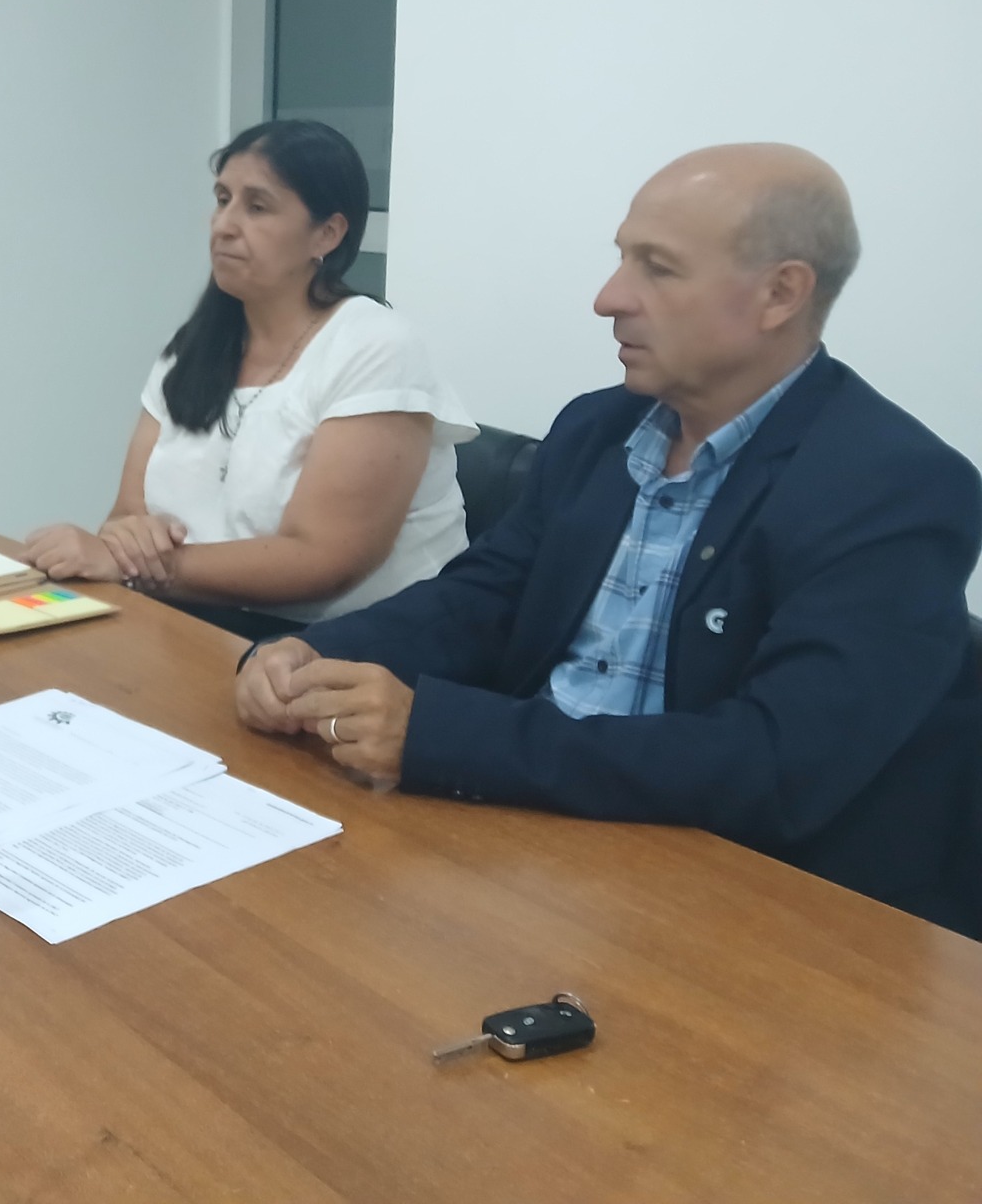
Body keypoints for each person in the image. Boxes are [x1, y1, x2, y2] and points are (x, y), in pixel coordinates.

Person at [237, 143, 982, 937]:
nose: (608, 298)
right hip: (535, 843)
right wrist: (312, 655)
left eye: (657, 268)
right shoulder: (599, 428)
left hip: (735, 904)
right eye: (621, 258)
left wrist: (443, 737)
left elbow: (777, 765)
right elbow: (483, 599)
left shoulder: (897, 487)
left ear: (780, 293)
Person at [20, 120, 474, 637]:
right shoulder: (194, 347)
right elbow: (125, 516)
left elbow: (324, 561)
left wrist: (135, 565)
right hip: (193, 619)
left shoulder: (376, 347)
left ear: (327, 234)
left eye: (257, 207)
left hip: (350, 642)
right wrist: (128, 544)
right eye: (222, 200)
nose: (224, 225)